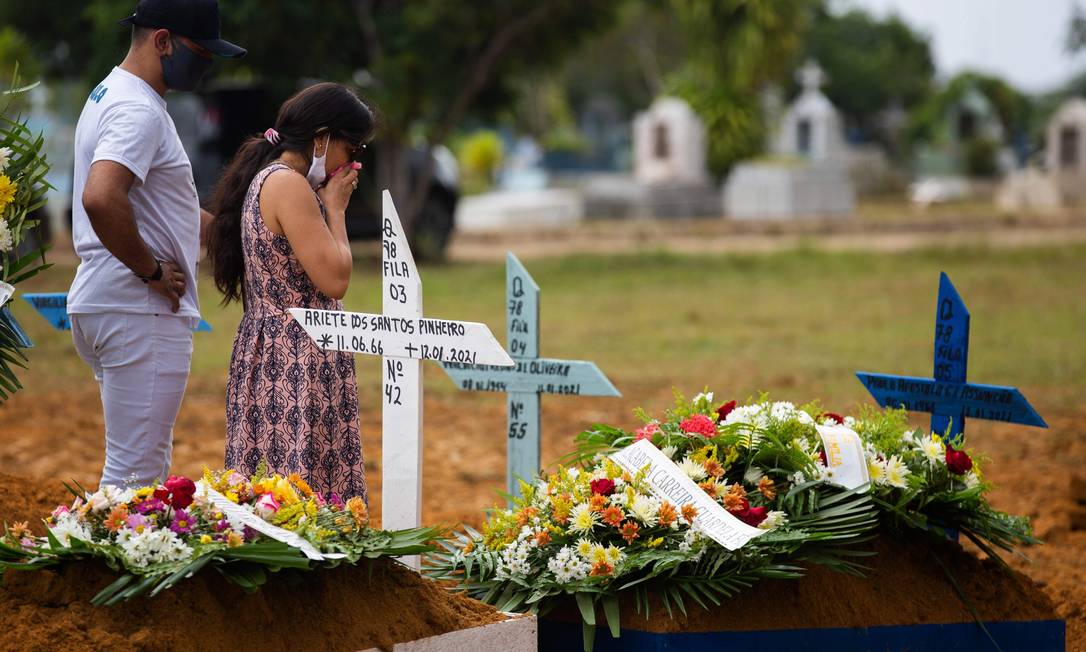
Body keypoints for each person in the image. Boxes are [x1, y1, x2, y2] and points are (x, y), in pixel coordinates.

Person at [68, 0, 244, 489]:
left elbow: (166, 210)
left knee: (139, 466)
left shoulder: (113, 93)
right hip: (136, 307)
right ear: (162, 41)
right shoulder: (137, 109)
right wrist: (150, 271)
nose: (206, 65)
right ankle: (108, 566)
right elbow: (101, 197)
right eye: (200, 53)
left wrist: (245, 231)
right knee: (134, 478)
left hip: (109, 301)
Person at [207, 82, 374, 500]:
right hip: (296, 352)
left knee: (275, 482)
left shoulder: (271, 180)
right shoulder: (289, 185)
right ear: (322, 138)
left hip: (275, 347)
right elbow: (335, 278)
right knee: (297, 488)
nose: (352, 163)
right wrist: (336, 210)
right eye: (353, 149)